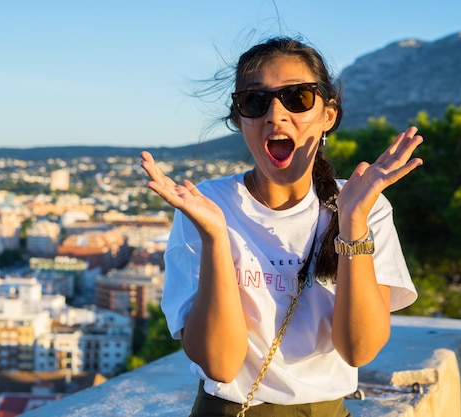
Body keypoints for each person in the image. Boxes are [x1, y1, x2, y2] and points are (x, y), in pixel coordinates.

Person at [140, 36, 423, 417]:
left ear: (328, 114)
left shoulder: (364, 205)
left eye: (298, 97)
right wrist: (215, 238)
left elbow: (359, 348)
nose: (275, 115)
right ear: (239, 119)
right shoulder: (206, 207)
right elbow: (220, 364)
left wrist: (352, 226)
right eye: (255, 102)